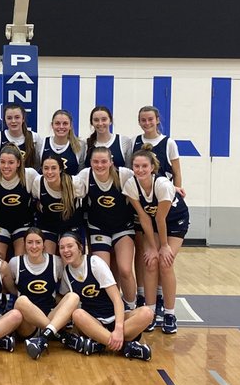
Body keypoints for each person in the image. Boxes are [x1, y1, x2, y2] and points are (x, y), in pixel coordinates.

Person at [123, 149, 190, 335]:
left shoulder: (162, 185)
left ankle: (169, 314)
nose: (140, 169)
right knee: (150, 262)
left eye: (144, 166)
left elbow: (161, 219)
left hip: (175, 221)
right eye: (136, 166)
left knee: (165, 263)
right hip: (152, 222)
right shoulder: (131, 185)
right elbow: (144, 218)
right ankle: (150, 312)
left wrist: (164, 246)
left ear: (152, 167)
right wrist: (152, 247)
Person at [57, 232, 153, 360]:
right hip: (95, 323)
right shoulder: (66, 274)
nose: (66, 250)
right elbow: (63, 300)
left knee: (147, 313)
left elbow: (117, 299)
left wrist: (118, 328)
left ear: (80, 247)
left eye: (70, 246)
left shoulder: (95, 263)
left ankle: (102, 342)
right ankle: (126, 347)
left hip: (117, 318)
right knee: (77, 314)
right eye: (62, 247)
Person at [133, 106, 187, 315]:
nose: (147, 123)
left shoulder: (168, 143)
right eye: (143, 120)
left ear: (157, 120)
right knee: (147, 257)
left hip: (165, 205)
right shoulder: (135, 143)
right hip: (146, 204)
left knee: (164, 259)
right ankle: (149, 302)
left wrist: (176, 190)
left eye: (150, 119)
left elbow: (176, 170)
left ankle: (166, 305)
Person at [76, 146, 137, 302]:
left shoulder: (124, 175)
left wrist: (173, 188)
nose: (100, 165)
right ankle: (106, 306)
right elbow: (66, 186)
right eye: (96, 162)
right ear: (90, 162)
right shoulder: (85, 175)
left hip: (123, 228)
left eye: (104, 161)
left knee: (124, 269)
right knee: (102, 271)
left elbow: (146, 181)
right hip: (98, 229)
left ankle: (130, 305)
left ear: (111, 162)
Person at [10, 227, 80, 360]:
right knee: (21, 301)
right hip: (28, 325)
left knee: (73, 296)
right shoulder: (15, 263)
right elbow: (9, 289)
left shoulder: (56, 262)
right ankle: (60, 336)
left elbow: (63, 292)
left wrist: (68, 310)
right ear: (24, 244)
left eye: (38, 242)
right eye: (30, 242)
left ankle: (45, 337)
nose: (34, 246)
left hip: (52, 317)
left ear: (44, 245)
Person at [0, 144, 39, 261]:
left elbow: (44, 187)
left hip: (23, 224)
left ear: (18, 163)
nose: (6, 166)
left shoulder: (29, 175)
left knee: (19, 260)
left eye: (11, 162)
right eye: (2, 162)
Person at [31, 152, 86, 253]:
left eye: (53, 168)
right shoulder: (38, 183)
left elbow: (84, 201)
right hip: (48, 225)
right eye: (46, 168)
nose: (49, 172)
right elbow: (36, 201)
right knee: (47, 258)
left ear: (60, 169)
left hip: (71, 226)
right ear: (41, 169)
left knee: (69, 257)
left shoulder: (75, 183)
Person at [0, 103, 39, 170]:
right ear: (4, 120)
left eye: (17, 117)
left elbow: (39, 165)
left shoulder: (34, 137)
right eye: (9, 118)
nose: (13, 121)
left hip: (28, 179)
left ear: (23, 119)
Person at [38, 109, 84, 176]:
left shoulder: (80, 146)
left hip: (71, 186)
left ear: (70, 126)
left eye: (65, 123)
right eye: (57, 123)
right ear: (52, 125)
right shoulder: (42, 144)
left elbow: (81, 174)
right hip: (47, 186)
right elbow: (37, 170)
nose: (61, 127)